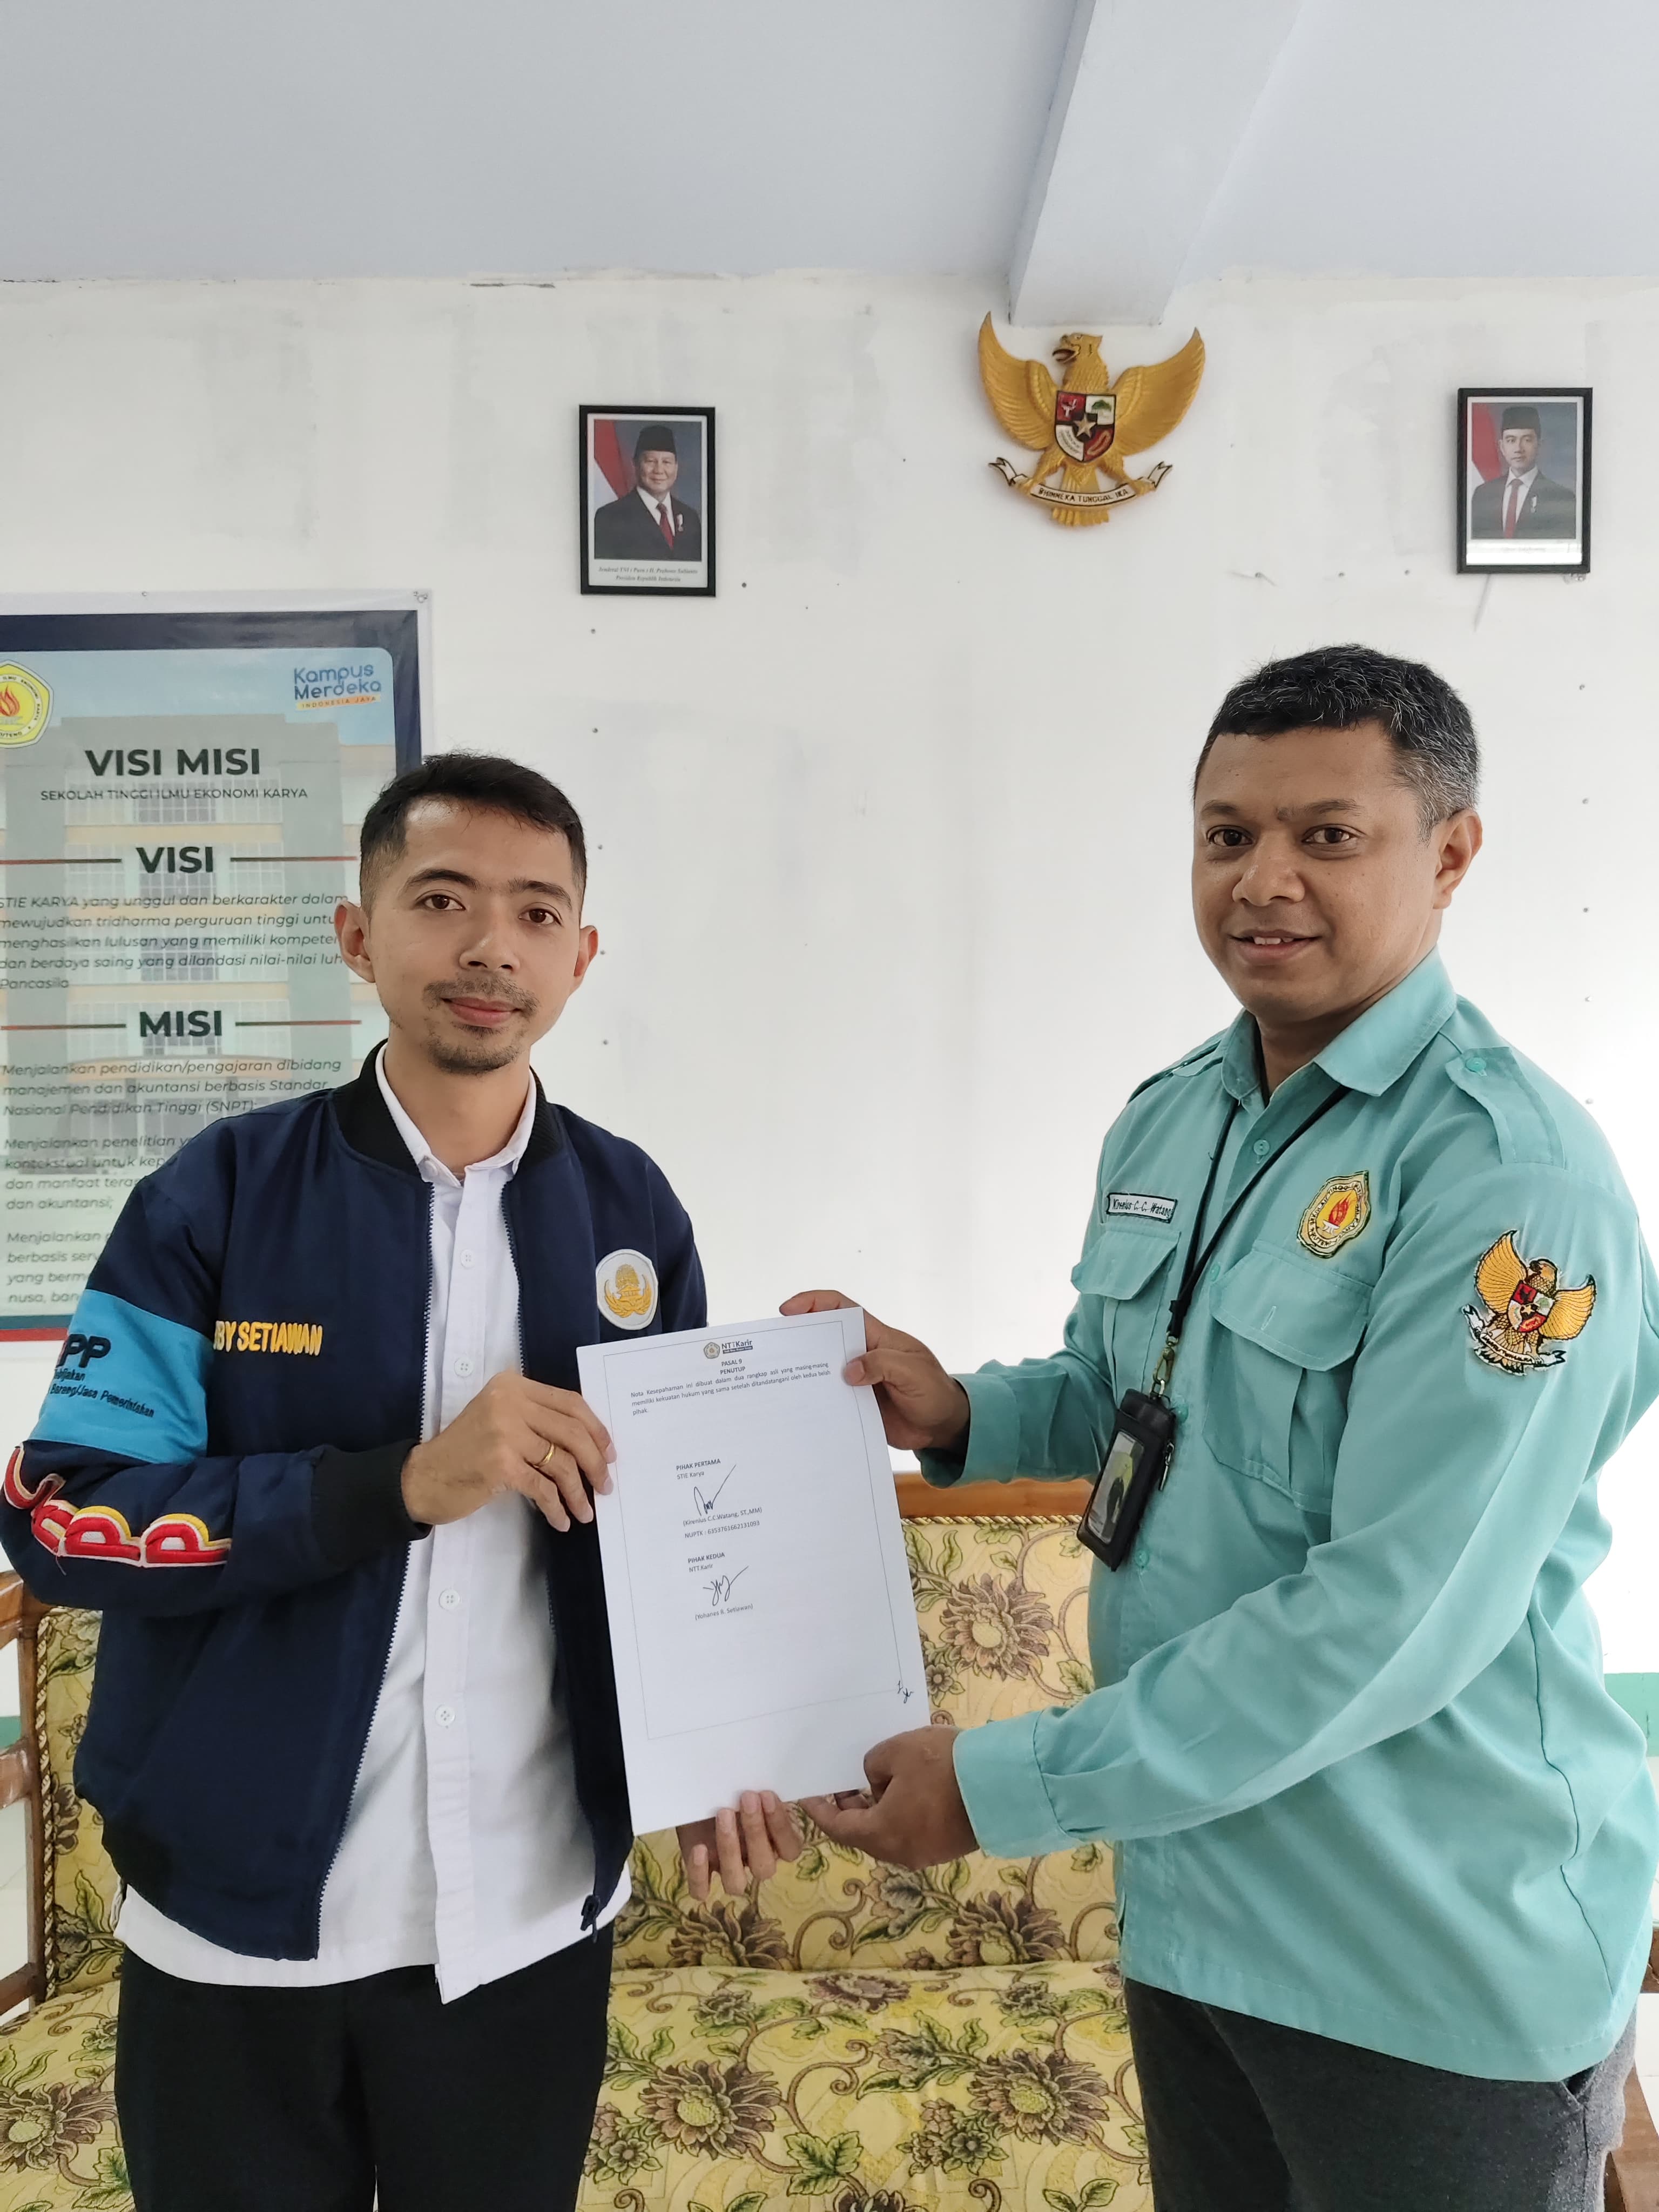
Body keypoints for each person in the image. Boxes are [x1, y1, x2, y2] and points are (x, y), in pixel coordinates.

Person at [787, 644, 1658, 2212]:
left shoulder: (1505, 1181)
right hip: (1199, 1910)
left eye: (1327, 835)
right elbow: (1137, 1397)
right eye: (1226, 834)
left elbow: (1392, 1614)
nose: (1262, 880)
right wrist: (962, 1408)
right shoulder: (1177, 1113)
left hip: (1425, 1950)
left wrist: (999, 1784)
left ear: (1449, 853)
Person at [0, 752, 796, 2212]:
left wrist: (705, 1749)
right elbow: (63, 1516)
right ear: (358, 935)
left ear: (580, 957)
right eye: (442, 900)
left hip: (529, 1914)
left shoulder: (630, 1211)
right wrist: (396, 1485)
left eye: (535, 913)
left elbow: (677, 1535)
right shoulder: (217, 1197)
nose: (491, 945)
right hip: (234, 1927)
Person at [592, 422, 704, 561]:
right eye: (651, 461)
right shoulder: (610, 518)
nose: (659, 470)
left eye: (667, 462)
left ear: (676, 467)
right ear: (635, 465)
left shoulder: (690, 518)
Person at [1469, 402, 1577, 538]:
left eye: (1527, 440)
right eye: (1511, 440)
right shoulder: (1483, 495)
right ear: (1502, 447)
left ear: (1539, 445)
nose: (1518, 449)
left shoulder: (1561, 498)